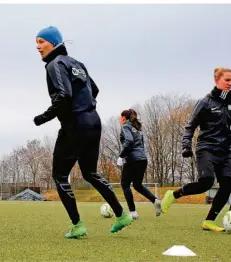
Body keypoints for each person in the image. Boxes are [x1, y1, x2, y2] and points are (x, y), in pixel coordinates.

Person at [33, 26, 133, 239]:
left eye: (41, 41)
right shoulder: (78, 64)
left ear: (54, 42)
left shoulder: (54, 64)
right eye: (37, 42)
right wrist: (88, 106)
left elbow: (63, 96)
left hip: (75, 125)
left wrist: (43, 117)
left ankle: (78, 225)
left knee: (60, 176)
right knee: (90, 172)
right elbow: (94, 90)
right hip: (93, 123)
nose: (38, 46)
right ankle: (122, 214)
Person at [161, 67, 231, 232]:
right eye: (227, 80)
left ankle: (209, 221)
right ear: (217, 80)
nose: (230, 83)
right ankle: (174, 195)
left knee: (228, 184)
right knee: (206, 182)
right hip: (206, 147)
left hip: (226, 151)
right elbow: (191, 125)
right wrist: (186, 144)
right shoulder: (205, 102)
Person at [117, 109, 161, 219]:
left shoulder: (126, 126)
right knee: (137, 185)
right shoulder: (138, 128)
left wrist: (121, 156)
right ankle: (155, 200)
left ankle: (133, 212)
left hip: (132, 159)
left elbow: (129, 142)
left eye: (120, 117)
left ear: (123, 118)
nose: (120, 119)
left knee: (125, 184)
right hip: (143, 159)